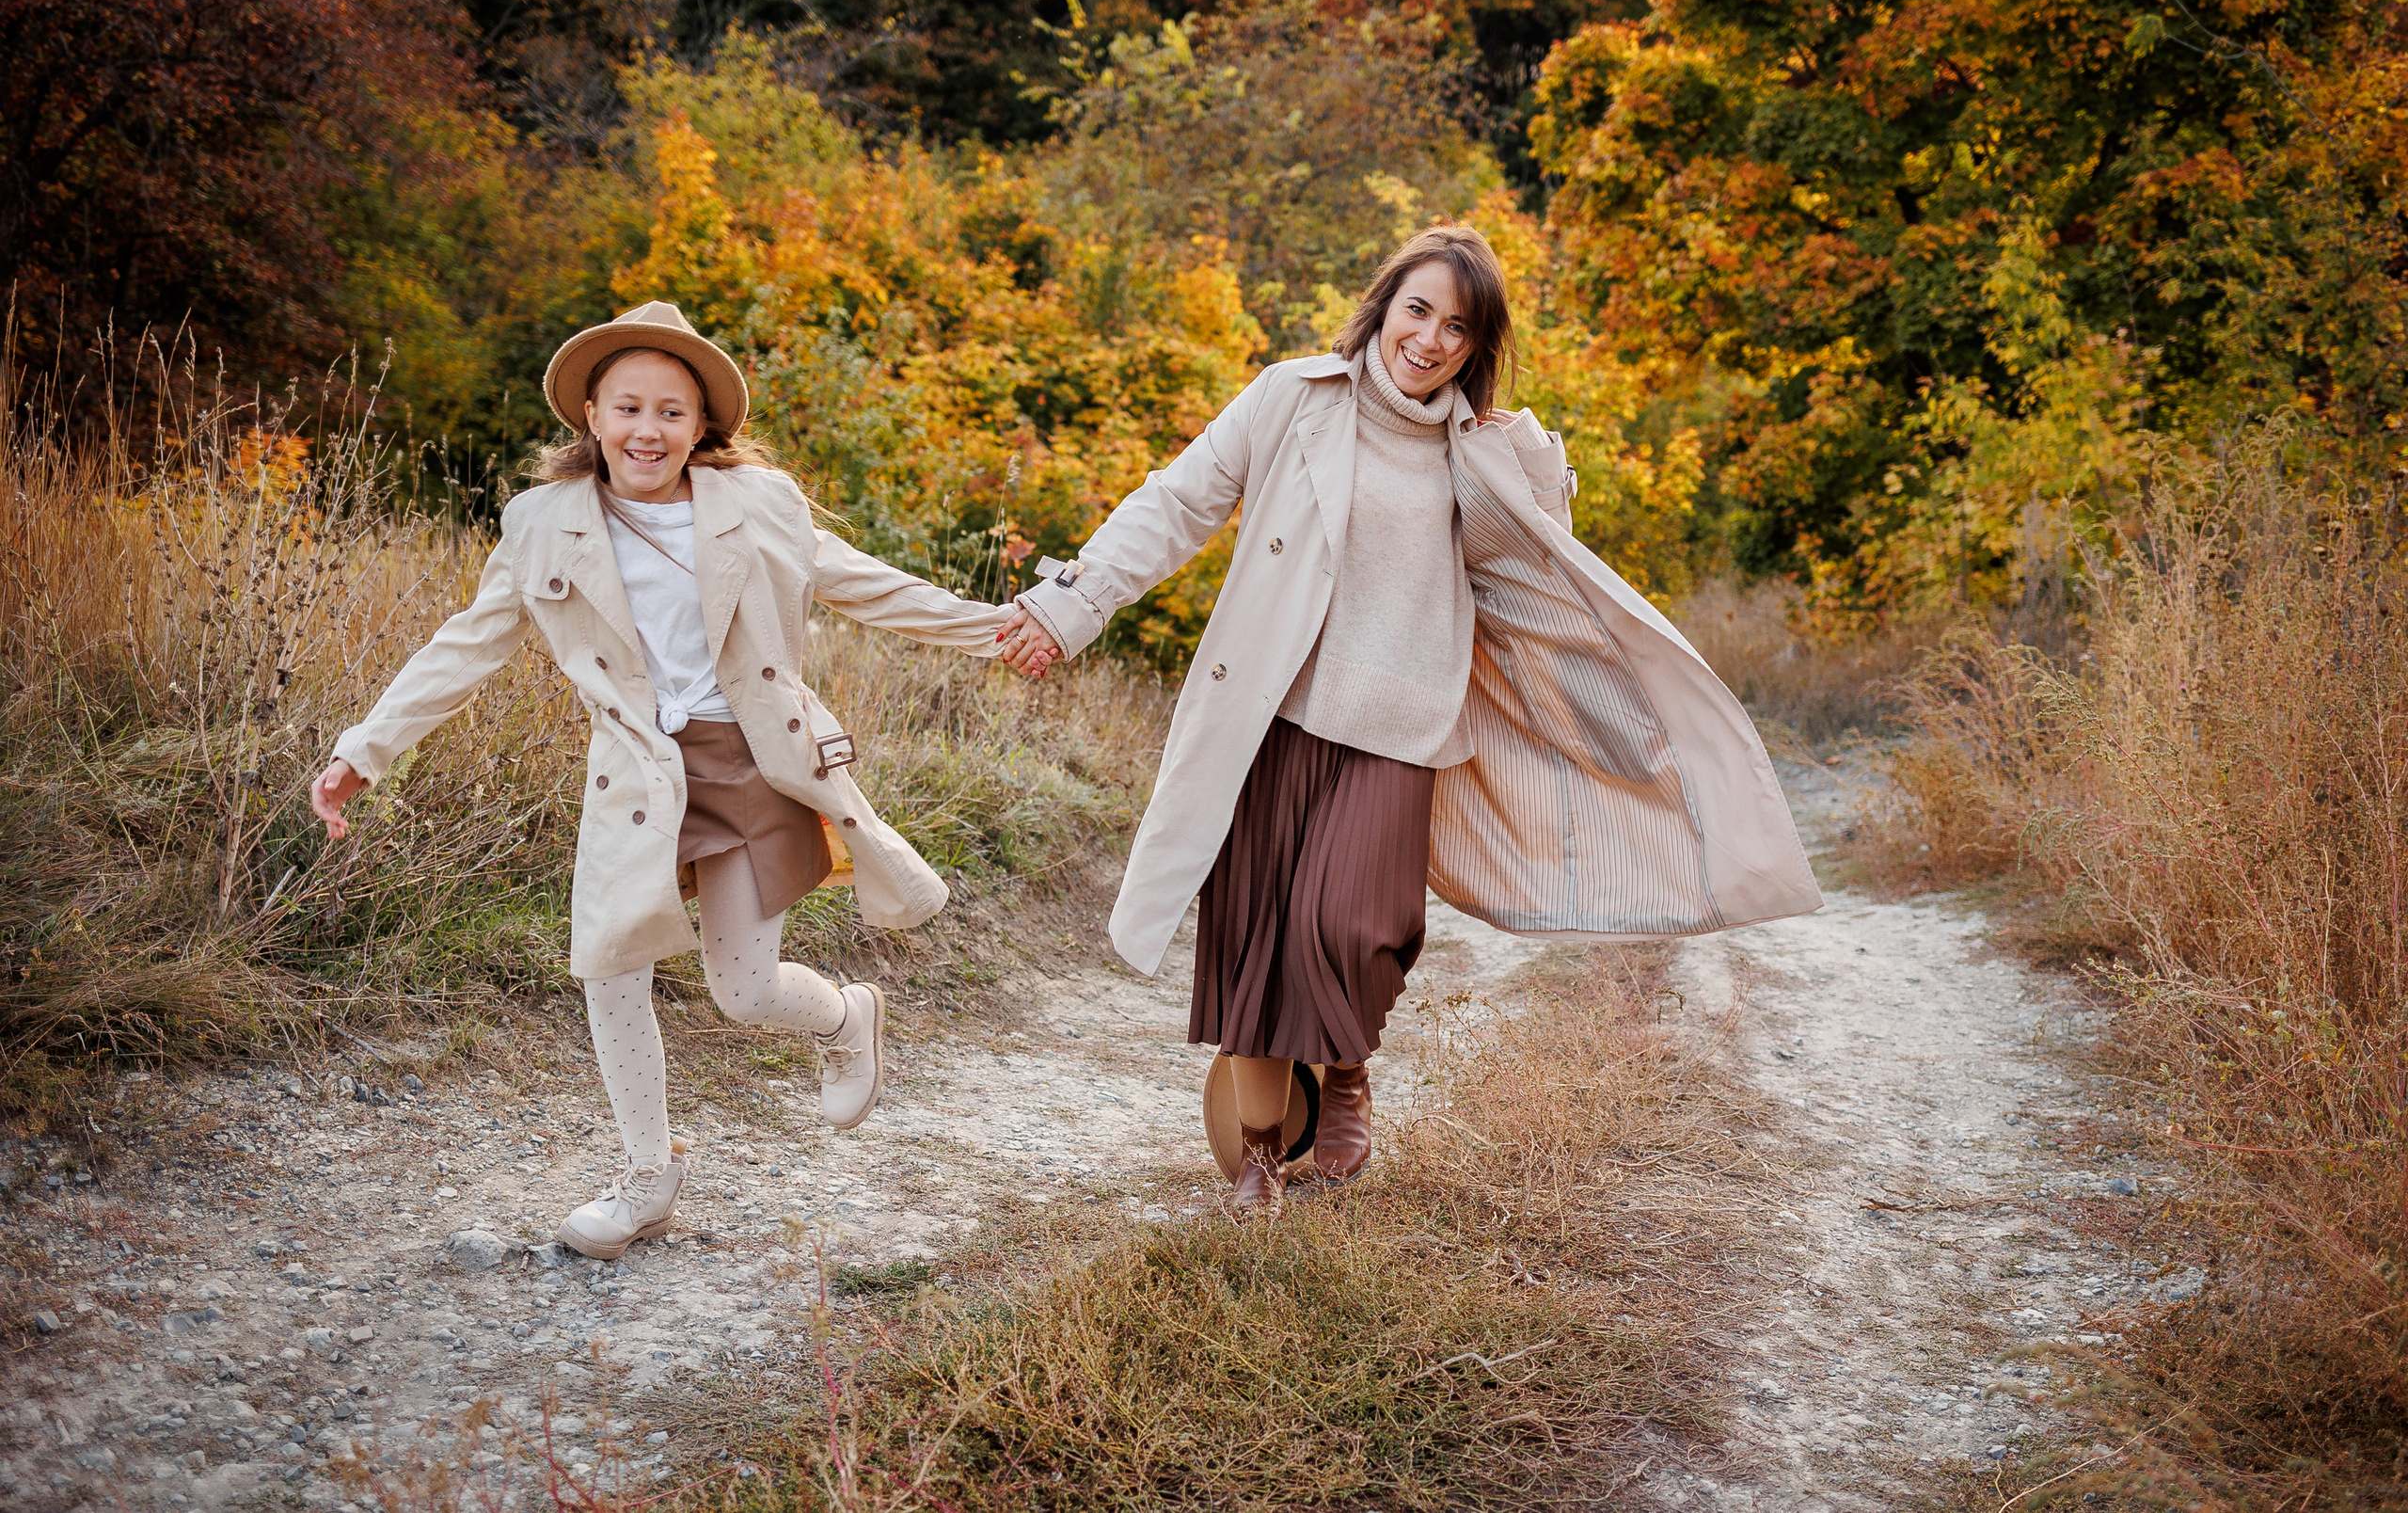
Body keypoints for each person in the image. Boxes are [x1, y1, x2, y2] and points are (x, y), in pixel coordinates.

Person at [996, 226, 1822, 1216]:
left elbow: (1541, 578)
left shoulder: (1480, 453)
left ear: (1477, 350)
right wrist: (1066, 608)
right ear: (1383, 306)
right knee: (1258, 939)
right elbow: (1175, 505)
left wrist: (1529, 468)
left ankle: (1343, 1065)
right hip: (1273, 716)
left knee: (1350, 925)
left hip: (1404, 725)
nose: (1429, 339)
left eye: (1457, 328)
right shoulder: (1290, 402)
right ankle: (1259, 1155)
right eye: (1418, 310)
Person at [311, 301, 1020, 1259]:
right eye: (630, 408)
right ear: (592, 417)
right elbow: (465, 647)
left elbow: (873, 587)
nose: (650, 431)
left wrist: (1008, 628)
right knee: (609, 968)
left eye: (673, 413)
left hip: (753, 767)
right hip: (638, 779)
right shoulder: (540, 525)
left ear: (702, 427)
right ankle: (648, 1179)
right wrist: (367, 749)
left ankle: (848, 1014)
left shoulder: (759, 506)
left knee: (745, 993)